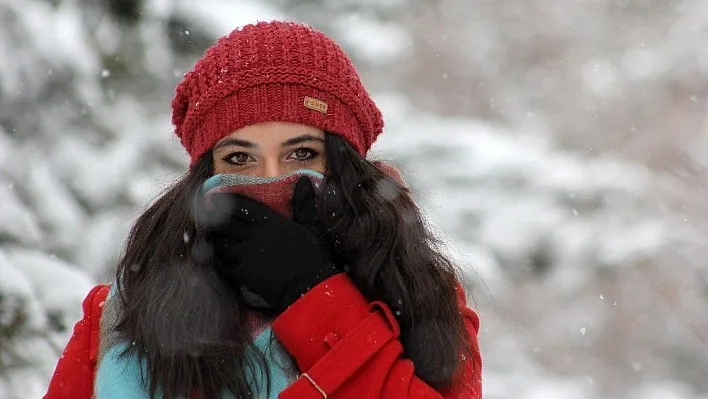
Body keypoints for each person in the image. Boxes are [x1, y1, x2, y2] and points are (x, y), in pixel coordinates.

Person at [43, 20, 482, 399]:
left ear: (344, 165)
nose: (269, 179)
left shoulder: (422, 300)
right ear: (205, 174)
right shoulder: (126, 315)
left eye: (302, 154)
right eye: (239, 158)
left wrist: (314, 295)